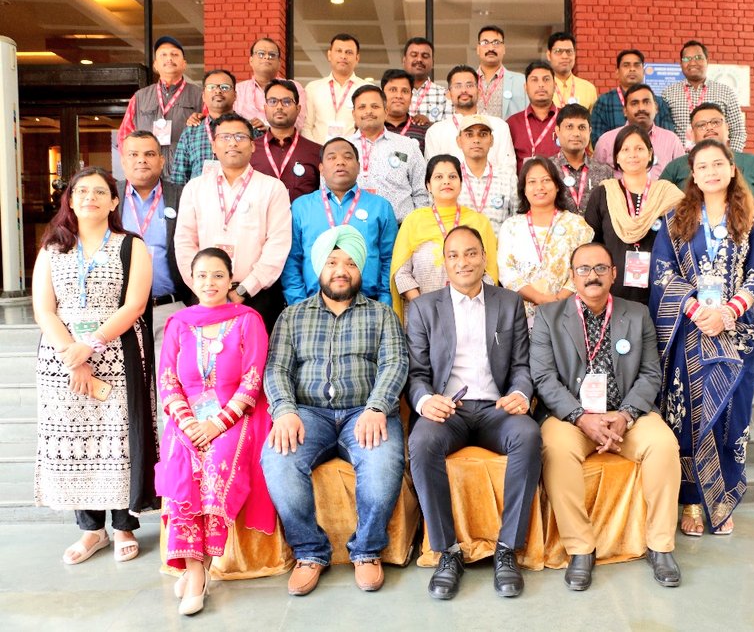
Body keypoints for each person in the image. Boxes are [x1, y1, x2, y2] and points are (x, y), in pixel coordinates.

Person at [262, 226, 409, 596]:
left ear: (360, 269)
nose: (341, 270)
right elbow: (276, 369)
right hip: (308, 414)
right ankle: (309, 552)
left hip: (366, 412)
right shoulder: (292, 316)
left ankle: (367, 550)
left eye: (350, 263)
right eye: (332, 262)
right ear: (319, 268)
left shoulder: (382, 315)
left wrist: (378, 406)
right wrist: (284, 411)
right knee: (278, 461)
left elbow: (395, 364)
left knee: (381, 465)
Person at [530, 242, 682, 590]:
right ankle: (580, 549)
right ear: (572, 276)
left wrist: (626, 415)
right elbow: (543, 378)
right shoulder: (549, 317)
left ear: (614, 274)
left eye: (600, 268)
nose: (592, 276)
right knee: (555, 450)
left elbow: (651, 373)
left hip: (627, 415)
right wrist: (580, 417)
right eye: (583, 269)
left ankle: (660, 546)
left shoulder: (637, 314)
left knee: (663, 445)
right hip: (572, 417)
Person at [32, 167, 159, 566]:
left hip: (117, 350)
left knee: (117, 438)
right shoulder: (52, 247)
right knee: (76, 440)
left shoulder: (131, 245)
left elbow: (135, 305)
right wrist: (72, 354)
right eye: (81, 191)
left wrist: (91, 345)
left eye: (100, 192)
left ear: (114, 201)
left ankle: (123, 526)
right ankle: (91, 530)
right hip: (61, 356)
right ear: (70, 200)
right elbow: (44, 309)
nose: (90, 197)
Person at [406, 225, 540, 600]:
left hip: (497, 409)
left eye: (470, 253)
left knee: (529, 435)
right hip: (449, 411)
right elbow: (416, 374)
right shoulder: (423, 308)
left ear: (483, 257)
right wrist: (425, 401)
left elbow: (522, 366)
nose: (463, 262)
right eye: (454, 255)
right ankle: (448, 552)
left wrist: (520, 392)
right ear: (444, 262)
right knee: (422, 443)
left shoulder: (508, 302)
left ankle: (507, 550)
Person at [649, 138, 754, 538]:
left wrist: (727, 313)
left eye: (718, 164)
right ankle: (690, 502)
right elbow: (663, 274)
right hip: (690, 332)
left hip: (736, 333)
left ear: (732, 169)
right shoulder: (674, 220)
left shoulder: (751, 220)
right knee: (688, 416)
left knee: (731, 416)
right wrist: (697, 311)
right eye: (703, 166)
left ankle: (721, 500)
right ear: (693, 176)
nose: (711, 172)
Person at [155, 248, 275, 616]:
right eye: (202, 275)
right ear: (191, 280)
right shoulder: (179, 323)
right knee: (182, 464)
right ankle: (197, 573)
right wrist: (190, 423)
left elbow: (252, 381)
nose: (210, 282)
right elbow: (167, 380)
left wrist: (216, 424)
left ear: (230, 280)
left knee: (216, 463)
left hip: (234, 418)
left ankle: (197, 573)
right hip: (186, 420)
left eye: (218, 275)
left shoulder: (247, 320)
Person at [174, 112, 292, 333]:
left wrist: (245, 289)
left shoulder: (272, 188)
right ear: (214, 145)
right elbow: (184, 242)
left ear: (253, 145)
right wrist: (204, 287)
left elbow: (278, 244)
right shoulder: (195, 188)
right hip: (205, 297)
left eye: (240, 137)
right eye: (225, 137)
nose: (233, 143)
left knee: (255, 355)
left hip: (257, 297)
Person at [283, 137, 397, 306]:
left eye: (347, 157)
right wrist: (299, 303)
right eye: (332, 157)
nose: (340, 162)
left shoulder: (380, 206)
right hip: (312, 303)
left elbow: (389, 258)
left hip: (368, 303)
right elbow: (292, 259)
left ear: (358, 166)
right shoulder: (301, 207)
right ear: (321, 168)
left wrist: (384, 301)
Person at [390, 154, 498, 324]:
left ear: (461, 183)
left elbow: (490, 273)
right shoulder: (414, 221)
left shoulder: (479, 222)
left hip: (470, 315)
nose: (446, 181)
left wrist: (466, 303)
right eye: (439, 177)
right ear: (428, 185)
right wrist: (424, 308)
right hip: (424, 318)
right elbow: (401, 273)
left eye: (452, 176)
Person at [660, 102, 754, 247]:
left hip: (744, 252)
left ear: (727, 128)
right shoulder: (676, 167)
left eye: (715, 122)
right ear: (692, 134)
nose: (709, 128)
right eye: (701, 125)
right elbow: (660, 210)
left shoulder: (753, 163)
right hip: (689, 253)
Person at [585, 125, 682, 305]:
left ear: (650, 154)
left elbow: (683, 243)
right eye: (625, 149)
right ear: (617, 157)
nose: (632, 155)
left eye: (639, 148)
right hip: (613, 292)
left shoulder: (667, 195)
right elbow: (591, 246)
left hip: (660, 290)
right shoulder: (603, 194)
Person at [117, 130, 192, 355]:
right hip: (119, 310)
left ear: (161, 160)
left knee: (167, 374)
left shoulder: (183, 195)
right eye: (133, 154)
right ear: (123, 161)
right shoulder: (110, 195)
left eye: (149, 154)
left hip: (170, 308)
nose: (141, 160)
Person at [497, 157, 593, 327]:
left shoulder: (577, 225)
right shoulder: (511, 226)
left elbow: (585, 267)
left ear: (557, 186)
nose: (539, 187)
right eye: (532, 182)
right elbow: (506, 271)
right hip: (521, 315)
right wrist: (539, 298)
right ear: (524, 189)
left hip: (568, 312)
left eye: (546, 180)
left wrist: (559, 298)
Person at [117, 35, 203, 179]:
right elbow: (124, 136)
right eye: (163, 55)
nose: (169, 58)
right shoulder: (139, 97)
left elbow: (209, 133)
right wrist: (133, 165)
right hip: (148, 175)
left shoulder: (200, 95)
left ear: (184, 64)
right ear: (155, 65)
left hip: (185, 174)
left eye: (174, 54)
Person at [348, 84, 428, 222]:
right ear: (354, 114)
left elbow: (422, 192)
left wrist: (417, 226)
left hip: (400, 228)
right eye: (362, 107)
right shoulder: (342, 147)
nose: (369, 111)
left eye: (375, 106)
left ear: (386, 112)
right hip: (352, 228)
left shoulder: (407, 146)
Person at [424, 65, 517, 176]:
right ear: (448, 94)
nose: (464, 90)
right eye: (458, 86)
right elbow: (433, 175)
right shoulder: (435, 132)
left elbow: (509, 171)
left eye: (469, 85)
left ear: (479, 91)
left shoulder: (499, 127)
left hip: (493, 187)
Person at [662, 40, 746, 152]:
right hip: (681, 158)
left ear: (707, 61)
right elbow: (664, 133)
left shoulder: (726, 92)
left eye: (698, 58)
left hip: (715, 158)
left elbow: (738, 131)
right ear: (681, 64)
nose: (692, 63)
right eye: (686, 59)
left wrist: (729, 157)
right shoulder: (668, 93)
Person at [249, 78, 321, 202]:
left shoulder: (317, 151)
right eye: (273, 101)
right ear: (265, 108)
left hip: (299, 215)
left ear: (298, 109)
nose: (279, 107)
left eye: (287, 102)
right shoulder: (249, 149)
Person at [594, 84, 685, 181]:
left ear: (656, 108)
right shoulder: (606, 141)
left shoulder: (671, 140)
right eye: (634, 103)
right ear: (625, 111)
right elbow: (596, 177)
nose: (641, 108)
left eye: (646, 102)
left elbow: (683, 176)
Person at [590, 49, 676, 147]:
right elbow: (598, 140)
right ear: (617, 72)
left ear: (643, 71)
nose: (632, 69)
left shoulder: (659, 102)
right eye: (626, 65)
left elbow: (667, 139)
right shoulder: (604, 102)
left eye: (636, 65)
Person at [170, 69, 238, 184]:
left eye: (225, 87)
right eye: (211, 87)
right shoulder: (190, 132)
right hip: (199, 195)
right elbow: (179, 179)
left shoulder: (250, 130)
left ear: (235, 95)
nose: (218, 91)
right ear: (203, 96)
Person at [454, 114, 518, 233]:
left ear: (491, 140)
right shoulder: (451, 178)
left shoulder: (507, 177)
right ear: (459, 141)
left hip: (498, 244)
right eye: (469, 135)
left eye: (483, 134)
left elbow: (518, 221)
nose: (476, 140)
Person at [302, 33, 369, 143]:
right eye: (339, 51)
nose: (343, 56)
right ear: (329, 55)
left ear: (357, 58)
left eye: (349, 52)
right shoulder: (313, 88)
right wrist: (316, 150)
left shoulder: (367, 89)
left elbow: (371, 128)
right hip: (318, 151)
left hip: (354, 152)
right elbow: (306, 127)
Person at [233, 37, 308, 133]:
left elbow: (299, 123)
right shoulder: (237, 90)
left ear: (279, 63)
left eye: (272, 55)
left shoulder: (294, 87)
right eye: (261, 54)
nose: (267, 57)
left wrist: (270, 129)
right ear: (251, 60)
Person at [550, 104, 613, 214]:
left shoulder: (604, 172)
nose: (576, 133)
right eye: (569, 127)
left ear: (590, 131)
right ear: (557, 131)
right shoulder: (547, 169)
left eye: (582, 127)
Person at [507, 61, 560, 173]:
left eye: (546, 79)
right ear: (525, 87)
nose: (541, 85)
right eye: (534, 80)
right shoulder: (512, 123)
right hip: (524, 183)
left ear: (555, 86)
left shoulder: (567, 119)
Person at [475, 25, 527, 118]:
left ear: (504, 48)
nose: (491, 48)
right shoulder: (468, 82)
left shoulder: (522, 81)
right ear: (478, 49)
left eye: (496, 42)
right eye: (485, 42)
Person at [402, 37, 451, 124]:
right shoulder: (392, 94)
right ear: (404, 60)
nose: (419, 59)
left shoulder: (445, 95)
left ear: (433, 62)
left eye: (425, 56)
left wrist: (429, 125)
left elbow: (450, 128)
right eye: (414, 55)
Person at [545, 32, 598, 111]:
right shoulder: (542, 87)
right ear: (549, 55)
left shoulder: (588, 89)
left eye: (569, 51)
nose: (565, 56)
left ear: (575, 54)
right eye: (558, 51)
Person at [381, 68, 428, 155]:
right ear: (382, 95)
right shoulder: (372, 127)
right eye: (393, 90)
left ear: (411, 96)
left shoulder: (425, 130)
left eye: (405, 91)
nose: (399, 96)